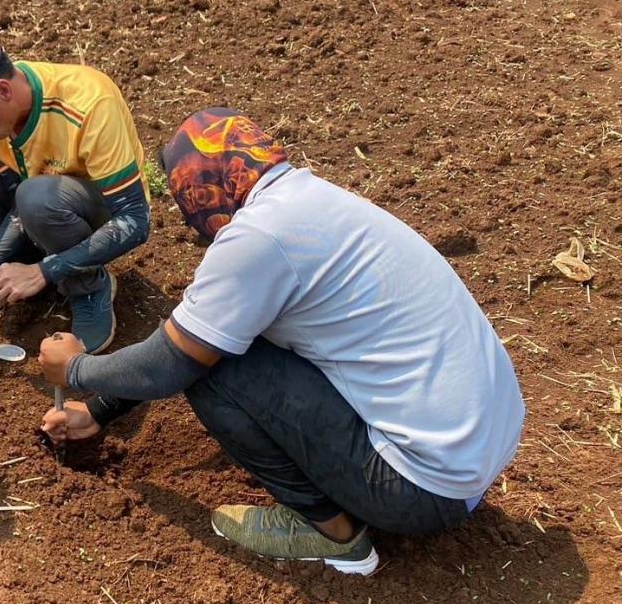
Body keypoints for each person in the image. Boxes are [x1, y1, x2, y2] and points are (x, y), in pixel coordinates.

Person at [38, 108, 524, 576]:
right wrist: (99, 411)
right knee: (217, 341)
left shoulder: (259, 240)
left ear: (200, 189)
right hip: (478, 456)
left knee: (216, 371)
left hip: (421, 492)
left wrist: (78, 370)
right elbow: (194, 328)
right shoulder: (307, 200)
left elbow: (177, 361)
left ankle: (335, 536)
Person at [0, 36, 151, 353]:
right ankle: (17, 271)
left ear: (3, 91)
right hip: (42, 203)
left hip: (102, 214)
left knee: (37, 196)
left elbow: (136, 221)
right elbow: (18, 203)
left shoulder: (91, 104)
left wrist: (45, 271)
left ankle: (87, 285)